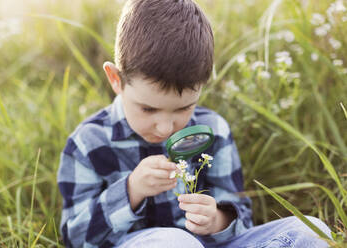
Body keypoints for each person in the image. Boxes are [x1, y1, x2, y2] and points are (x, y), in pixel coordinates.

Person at [57, 0, 332, 247]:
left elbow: (241, 216)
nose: (165, 128)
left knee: (311, 231)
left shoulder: (215, 129)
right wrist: (131, 191)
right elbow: (74, 237)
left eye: (184, 108)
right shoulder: (88, 142)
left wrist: (217, 220)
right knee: (175, 241)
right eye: (148, 108)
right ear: (116, 80)